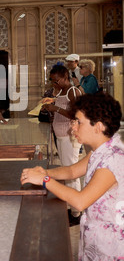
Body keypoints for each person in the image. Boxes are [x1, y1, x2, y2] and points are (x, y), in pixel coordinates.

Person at [20, 92, 124, 261]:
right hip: (98, 241)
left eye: (78, 122)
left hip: (111, 249)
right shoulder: (101, 150)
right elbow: (72, 170)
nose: (72, 127)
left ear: (98, 126)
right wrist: (44, 171)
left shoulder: (113, 158)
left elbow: (80, 201)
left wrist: (45, 180)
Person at [42, 65, 82, 223]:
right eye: (52, 81)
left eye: (56, 80)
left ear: (66, 78)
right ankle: (72, 208)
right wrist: (50, 105)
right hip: (61, 136)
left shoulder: (73, 91)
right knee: (67, 173)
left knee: (72, 174)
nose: (54, 84)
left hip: (69, 138)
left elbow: (77, 114)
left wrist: (56, 108)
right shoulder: (60, 91)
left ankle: (76, 213)